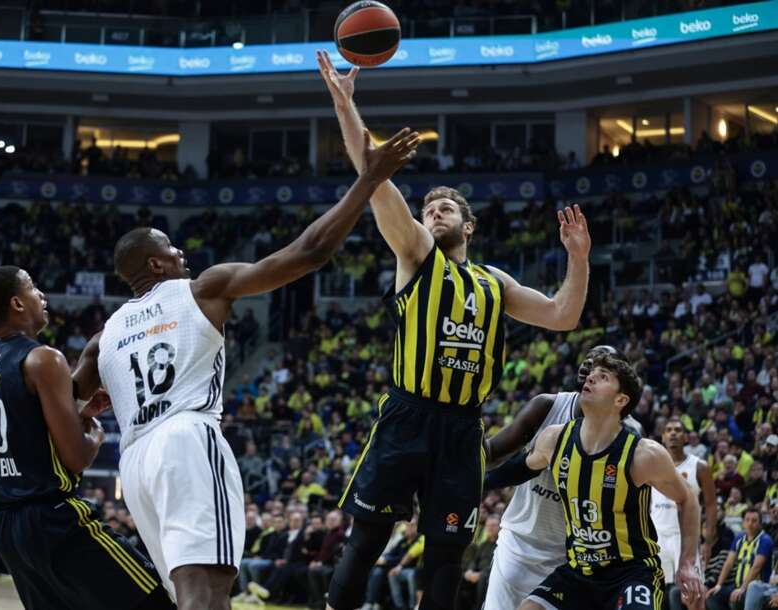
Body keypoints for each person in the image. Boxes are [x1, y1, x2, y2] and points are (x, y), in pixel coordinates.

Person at [71, 129, 421, 610]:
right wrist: (370, 178)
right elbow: (309, 252)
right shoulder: (201, 288)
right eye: (172, 249)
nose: (181, 254)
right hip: (184, 438)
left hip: (134, 463)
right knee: (206, 590)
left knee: (192, 595)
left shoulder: (103, 336)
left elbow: (59, 407)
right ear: (156, 263)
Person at [317, 50, 591, 610]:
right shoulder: (416, 254)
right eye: (429, 208)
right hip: (407, 415)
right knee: (365, 541)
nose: (434, 212)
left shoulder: (495, 282)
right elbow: (375, 178)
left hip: (463, 429)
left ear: (468, 225)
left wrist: (579, 258)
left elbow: (563, 315)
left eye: (446, 208)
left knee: (445, 558)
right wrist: (346, 107)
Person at [0, 266, 172, 610]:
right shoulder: (45, 359)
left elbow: (19, 442)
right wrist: (95, 430)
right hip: (55, 519)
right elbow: (77, 458)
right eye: (32, 287)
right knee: (156, 602)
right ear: (17, 303)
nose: (41, 295)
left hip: (7, 527)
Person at [512, 354, 704, 609]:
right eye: (592, 373)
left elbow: (688, 499)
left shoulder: (643, 454)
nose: (591, 377)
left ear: (620, 400)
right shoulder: (556, 439)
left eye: (603, 377)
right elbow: (519, 468)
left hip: (631, 573)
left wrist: (688, 562)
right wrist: (477, 477)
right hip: (579, 572)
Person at [481, 345, 640, 609]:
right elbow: (496, 454)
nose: (588, 365)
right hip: (520, 541)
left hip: (575, 555)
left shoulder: (630, 434)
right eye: (588, 359)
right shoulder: (548, 406)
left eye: (602, 367)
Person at [651, 416, 718, 610]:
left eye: (678, 430)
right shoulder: (652, 465)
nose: (673, 433)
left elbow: (711, 505)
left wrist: (708, 541)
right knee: (654, 592)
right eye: (669, 430)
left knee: (693, 596)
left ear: (686, 437)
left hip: (686, 538)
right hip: (657, 536)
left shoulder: (700, 466)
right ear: (663, 437)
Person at [706, 508, 774, 610]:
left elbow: (756, 567)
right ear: (743, 523)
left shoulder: (765, 540)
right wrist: (718, 585)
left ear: (760, 524)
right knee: (712, 598)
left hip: (757, 589)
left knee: (736, 600)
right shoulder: (739, 538)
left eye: (754, 521)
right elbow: (728, 563)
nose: (750, 524)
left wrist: (743, 588)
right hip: (736, 585)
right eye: (747, 520)